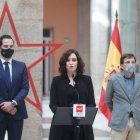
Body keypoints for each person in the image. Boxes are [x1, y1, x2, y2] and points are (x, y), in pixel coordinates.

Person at [49, 49, 96, 140]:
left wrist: (81, 113)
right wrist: (67, 113)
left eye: (74, 60)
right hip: (62, 125)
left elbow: (92, 104)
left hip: (82, 125)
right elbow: (53, 105)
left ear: (78, 63)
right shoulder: (56, 81)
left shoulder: (86, 80)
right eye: (68, 60)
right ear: (64, 63)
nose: (71, 63)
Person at [0, 35, 29, 140]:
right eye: (6, 46)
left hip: (16, 112)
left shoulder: (21, 66)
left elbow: (25, 88)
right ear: (0, 48)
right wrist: (5, 106)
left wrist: (12, 104)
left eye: (11, 46)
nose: (9, 48)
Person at [105, 53, 140, 140]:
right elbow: (108, 100)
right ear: (122, 65)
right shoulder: (113, 79)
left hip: (137, 121)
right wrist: (118, 111)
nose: (131, 64)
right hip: (119, 121)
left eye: (133, 62)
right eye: (127, 62)